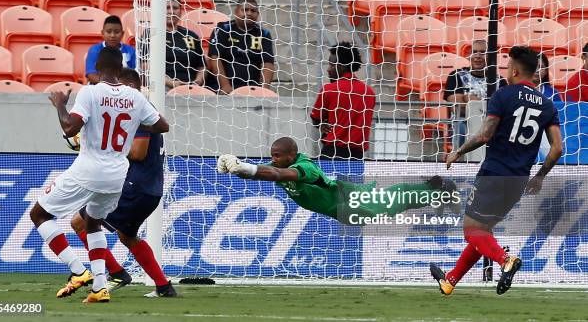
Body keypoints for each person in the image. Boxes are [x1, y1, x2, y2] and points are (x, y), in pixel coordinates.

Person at [29, 47, 169, 303]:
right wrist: (131, 120)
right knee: (93, 223)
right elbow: (163, 126)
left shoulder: (90, 93)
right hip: (117, 175)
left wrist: (60, 106)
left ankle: (77, 270)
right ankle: (100, 287)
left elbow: (71, 126)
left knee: (38, 214)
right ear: (119, 69)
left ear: (97, 69)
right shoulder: (135, 98)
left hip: (89, 169)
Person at [431, 46, 563, 296]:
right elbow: (557, 149)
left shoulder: (503, 95)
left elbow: (485, 134)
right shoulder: (547, 106)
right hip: (519, 179)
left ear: (514, 70)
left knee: (472, 230)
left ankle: (505, 260)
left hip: (494, 173)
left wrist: (458, 152)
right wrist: (540, 176)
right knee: (484, 230)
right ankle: (450, 281)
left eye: (507, 66)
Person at [70, 68, 177, 298]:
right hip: (148, 188)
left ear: (129, 87)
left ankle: (117, 272)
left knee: (80, 223)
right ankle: (163, 286)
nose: (115, 94)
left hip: (133, 187)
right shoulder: (145, 110)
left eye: (118, 87)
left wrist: (103, 146)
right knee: (127, 236)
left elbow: (138, 152)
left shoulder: (135, 108)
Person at [216, 137, 458, 225]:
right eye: (272, 156)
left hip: (349, 202)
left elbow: (278, 175)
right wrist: (237, 169)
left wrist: (244, 166)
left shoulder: (304, 167)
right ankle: (434, 189)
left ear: (292, 155)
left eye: (277, 156)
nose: (273, 160)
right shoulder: (278, 166)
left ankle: (439, 188)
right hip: (342, 208)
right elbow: (267, 172)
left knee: (393, 200)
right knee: (392, 201)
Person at [310, 42, 376, 160]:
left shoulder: (329, 90)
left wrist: (320, 124)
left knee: (328, 179)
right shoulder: (369, 93)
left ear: (341, 66)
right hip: (357, 157)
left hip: (332, 153)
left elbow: (315, 117)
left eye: (331, 65)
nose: (328, 69)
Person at [445, 40, 508, 146]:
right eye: (474, 52)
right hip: (465, 122)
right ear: (469, 55)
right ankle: (459, 159)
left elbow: (502, 110)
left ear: (490, 56)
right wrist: (487, 104)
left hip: (491, 124)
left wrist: (469, 99)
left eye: (482, 52)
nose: (478, 56)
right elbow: (457, 108)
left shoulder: (500, 81)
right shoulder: (456, 76)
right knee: (460, 126)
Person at [207, 0, 275, 94]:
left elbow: (268, 63)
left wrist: (263, 90)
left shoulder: (264, 34)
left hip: (251, 88)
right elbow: (214, 57)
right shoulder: (222, 28)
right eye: (245, 10)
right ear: (236, 12)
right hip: (222, 86)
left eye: (253, 10)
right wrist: (225, 86)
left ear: (258, 14)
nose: (249, 13)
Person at [162, 0, 206, 90]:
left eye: (175, 8)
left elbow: (201, 66)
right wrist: (171, 83)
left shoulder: (191, 36)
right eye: (167, 7)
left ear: (181, 11)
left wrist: (198, 81)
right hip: (163, 87)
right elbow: (145, 66)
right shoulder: (152, 35)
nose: (171, 11)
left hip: (191, 87)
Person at [85, 16, 137, 84]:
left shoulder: (130, 51)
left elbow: (134, 75)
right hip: (99, 87)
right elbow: (91, 75)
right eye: (109, 32)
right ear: (102, 33)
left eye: (117, 32)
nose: (112, 35)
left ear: (122, 33)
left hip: (123, 89)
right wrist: (111, 85)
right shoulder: (94, 50)